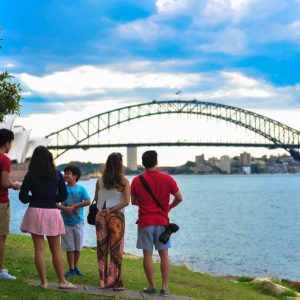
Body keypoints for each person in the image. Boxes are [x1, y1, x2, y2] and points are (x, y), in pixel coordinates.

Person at [19, 146, 77, 289]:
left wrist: (34, 198)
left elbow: (23, 197)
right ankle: (62, 281)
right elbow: (63, 195)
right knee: (56, 250)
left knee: (39, 249)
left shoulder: (30, 174)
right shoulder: (57, 174)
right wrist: (51, 199)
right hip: (51, 212)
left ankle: (44, 282)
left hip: (34, 212)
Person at [131, 150, 183, 296]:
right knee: (164, 255)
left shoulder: (136, 180)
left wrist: (145, 205)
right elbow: (179, 197)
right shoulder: (167, 179)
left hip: (145, 221)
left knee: (147, 255)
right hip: (162, 222)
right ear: (156, 162)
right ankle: (165, 288)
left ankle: (151, 286)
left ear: (143, 163)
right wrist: (168, 208)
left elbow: (133, 201)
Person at [93, 152, 130, 291]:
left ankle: (102, 281)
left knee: (102, 249)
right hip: (116, 218)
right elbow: (126, 201)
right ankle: (115, 282)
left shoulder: (100, 181)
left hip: (100, 216)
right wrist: (113, 209)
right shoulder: (123, 181)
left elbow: (97, 199)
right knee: (116, 250)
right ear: (120, 164)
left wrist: (105, 209)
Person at [56, 165, 91, 277]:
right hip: (66, 223)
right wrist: (64, 208)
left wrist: (75, 206)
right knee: (70, 247)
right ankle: (71, 268)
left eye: (68, 173)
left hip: (78, 222)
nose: (65, 175)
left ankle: (76, 267)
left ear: (75, 176)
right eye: (65, 173)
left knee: (78, 246)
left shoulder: (81, 189)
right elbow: (55, 203)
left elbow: (88, 201)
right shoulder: (62, 190)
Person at [0, 129, 21, 280]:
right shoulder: (4, 160)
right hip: (1, 202)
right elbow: (4, 183)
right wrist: (14, 185)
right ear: (7, 143)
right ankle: (0, 271)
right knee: (1, 237)